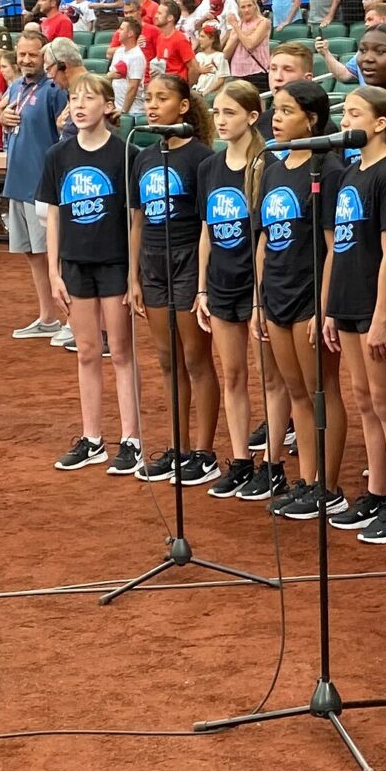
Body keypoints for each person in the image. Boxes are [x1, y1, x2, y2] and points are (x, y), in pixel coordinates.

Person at [42, 71, 144, 474]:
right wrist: (53, 272)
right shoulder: (59, 156)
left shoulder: (124, 155)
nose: (80, 106)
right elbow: (53, 216)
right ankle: (92, 438)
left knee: (120, 351)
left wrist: (133, 274)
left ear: (108, 106)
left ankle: (132, 439)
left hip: (115, 262)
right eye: (74, 98)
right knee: (86, 352)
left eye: (89, 98)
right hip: (75, 264)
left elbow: (135, 219)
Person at [326, 86, 386, 541]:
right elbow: (341, 246)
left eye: (355, 113)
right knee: (364, 398)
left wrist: (382, 315)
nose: (345, 120)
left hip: (375, 301)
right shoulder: (349, 174)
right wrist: (330, 308)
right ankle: (377, 489)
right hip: (348, 296)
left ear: (380, 123)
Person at [128, 70, 221, 487]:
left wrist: (202, 280)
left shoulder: (201, 157)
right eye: (148, 98)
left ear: (183, 106)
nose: (151, 105)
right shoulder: (144, 155)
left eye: (161, 98)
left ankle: (203, 451)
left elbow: (206, 223)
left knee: (195, 358)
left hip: (188, 261)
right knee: (167, 362)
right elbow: (138, 220)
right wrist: (133, 277)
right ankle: (177, 446)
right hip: (153, 263)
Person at [197, 81, 286, 502]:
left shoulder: (268, 165)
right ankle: (239, 460)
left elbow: (268, 236)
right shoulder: (210, 168)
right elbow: (206, 232)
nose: (220, 119)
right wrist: (200, 289)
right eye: (216, 112)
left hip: (259, 287)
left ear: (252, 117)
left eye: (229, 112)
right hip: (220, 283)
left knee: (271, 376)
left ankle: (272, 463)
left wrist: (258, 297)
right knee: (232, 374)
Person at [257, 80, 339, 517]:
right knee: (296, 393)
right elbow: (265, 240)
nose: (277, 117)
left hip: (310, 297)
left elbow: (331, 246)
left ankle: (327, 484)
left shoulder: (328, 168)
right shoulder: (273, 167)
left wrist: (322, 307)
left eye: (287, 111)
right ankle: (307, 479)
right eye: (277, 110)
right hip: (276, 293)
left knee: (321, 390)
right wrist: (258, 300)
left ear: (311, 118)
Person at [1, 30, 72, 343]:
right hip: (17, 180)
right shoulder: (15, 87)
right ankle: (47, 318)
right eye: (22, 54)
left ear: (44, 58)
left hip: (43, 183)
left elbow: (67, 133)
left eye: (33, 55)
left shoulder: (54, 89)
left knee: (54, 255)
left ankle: (73, 321)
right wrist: (2, 118)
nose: (26, 60)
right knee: (31, 253)